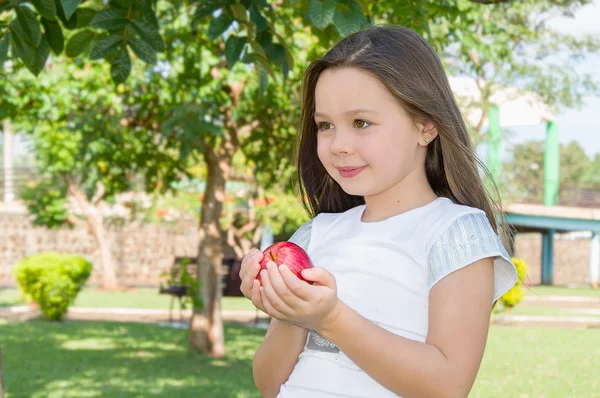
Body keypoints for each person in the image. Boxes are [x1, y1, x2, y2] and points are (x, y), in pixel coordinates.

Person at [239, 24, 518, 398]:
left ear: (426, 125)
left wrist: (330, 318)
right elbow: (270, 384)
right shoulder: (315, 235)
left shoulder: (456, 234)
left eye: (361, 123)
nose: (338, 144)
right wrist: (292, 313)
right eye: (325, 125)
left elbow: (448, 386)